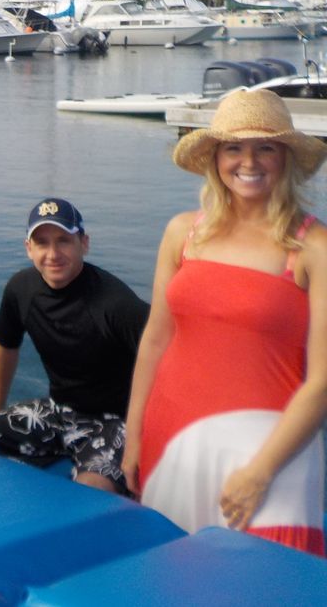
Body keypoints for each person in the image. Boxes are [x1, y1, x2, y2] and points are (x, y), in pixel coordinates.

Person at [122, 89, 327, 554]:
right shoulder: (183, 232)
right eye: (234, 147)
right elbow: (155, 340)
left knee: (267, 580)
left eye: (265, 147)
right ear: (215, 158)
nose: (248, 162)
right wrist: (134, 435)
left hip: (271, 456)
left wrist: (261, 473)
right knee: (175, 575)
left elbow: (321, 382)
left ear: (286, 157)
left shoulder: (313, 246)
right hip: (174, 441)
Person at [0, 197, 148, 493]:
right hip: (58, 412)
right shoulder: (20, 289)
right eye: (42, 243)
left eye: (63, 241)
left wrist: (144, 439)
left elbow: (166, 360)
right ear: (28, 248)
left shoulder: (116, 303)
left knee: (90, 492)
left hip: (115, 422)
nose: (53, 254)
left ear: (84, 243)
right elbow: (5, 346)